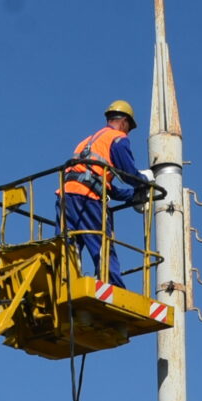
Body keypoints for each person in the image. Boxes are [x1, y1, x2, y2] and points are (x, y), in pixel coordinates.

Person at [59, 98, 155, 285]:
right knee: (103, 246)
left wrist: (130, 196)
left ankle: (64, 281)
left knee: (66, 245)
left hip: (65, 196)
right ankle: (112, 285)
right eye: (129, 128)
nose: (128, 132)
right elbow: (128, 174)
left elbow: (99, 182)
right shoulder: (118, 139)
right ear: (124, 122)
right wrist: (144, 182)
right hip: (87, 199)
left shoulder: (87, 142)